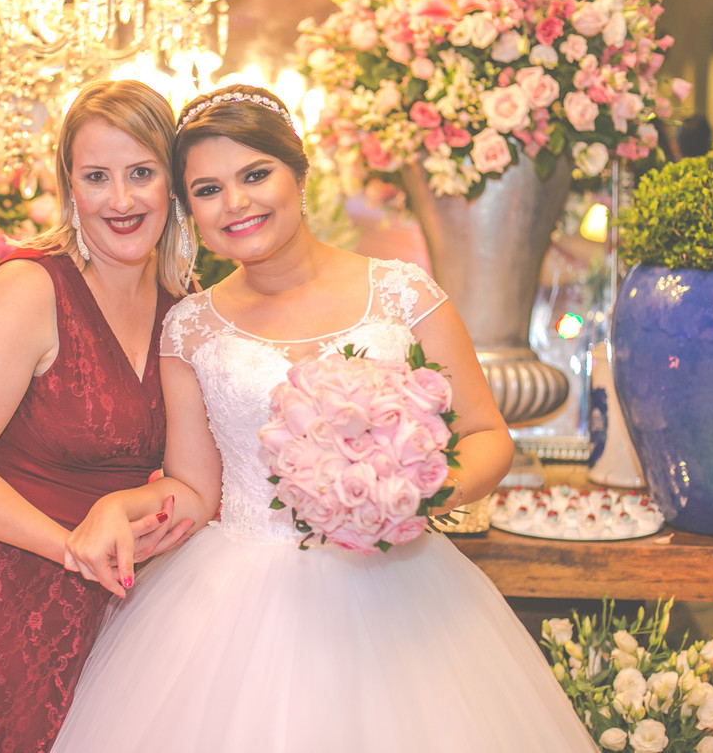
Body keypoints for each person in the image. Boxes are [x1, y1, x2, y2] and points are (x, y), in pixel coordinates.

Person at [52, 86, 599, 752]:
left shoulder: (402, 293)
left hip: (402, 590)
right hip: (237, 606)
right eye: (208, 190)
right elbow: (193, 489)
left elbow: (486, 435)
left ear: (299, 172)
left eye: (256, 174)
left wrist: (413, 493)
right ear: (188, 210)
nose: (236, 203)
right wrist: (118, 505)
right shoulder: (190, 327)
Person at [0, 79, 196, 753]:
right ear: (69, 186)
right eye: (97, 176)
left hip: (112, 594)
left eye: (141, 172)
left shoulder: (184, 303)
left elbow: (193, 472)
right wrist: (69, 548)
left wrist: (128, 520)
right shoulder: (29, 288)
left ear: (173, 183)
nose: (120, 200)